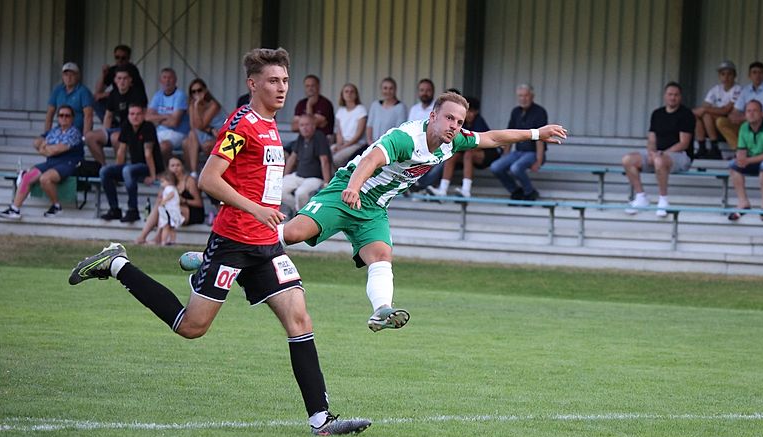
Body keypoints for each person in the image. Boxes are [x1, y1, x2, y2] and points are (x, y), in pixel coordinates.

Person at [69, 47, 370, 437]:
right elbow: (209, 180)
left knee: (299, 319)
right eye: (273, 81)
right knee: (191, 327)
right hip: (232, 241)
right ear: (252, 84)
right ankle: (116, 264)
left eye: (285, 80)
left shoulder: (272, 125)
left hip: (266, 246)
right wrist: (256, 209)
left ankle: (321, 421)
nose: (282, 88)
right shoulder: (241, 124)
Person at [181, 93, 567, 332]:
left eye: (459, 121)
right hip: (345, 193)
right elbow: (372, 159)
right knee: (294, 233)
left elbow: (493, 137)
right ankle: (214, 256)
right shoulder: (406, 137)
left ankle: (381, 310)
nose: (455, 126)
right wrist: (352, 187)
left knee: (382, 255)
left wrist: (537, 133)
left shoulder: (452, 142)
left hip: (374, 209)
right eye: (449, 118)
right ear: (433, 116)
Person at [622, 82, 696, 217]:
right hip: (658, 154)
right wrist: (651, 153)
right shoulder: (657, 114)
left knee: (659, 161)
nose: (673, 97)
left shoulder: (686, 114)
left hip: (680, 156)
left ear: (680, 97)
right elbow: (651, 140)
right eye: (670, 94)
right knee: (628, 160)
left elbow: (684, 143)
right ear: (665, 96)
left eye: (676, 95)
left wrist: (661, 154)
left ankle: (663, 201)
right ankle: (641, 197)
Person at [0, 105, 83, 220]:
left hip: (68, 163)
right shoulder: (54, 130)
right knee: (27, 176)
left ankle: (56, 206)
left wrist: (44, 148)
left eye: (67, 116)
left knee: (45, 179)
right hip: (51, 162)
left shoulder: (75, 133)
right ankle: (15, 209)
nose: (64, 118)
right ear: (58, 118)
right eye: (61, 115)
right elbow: (37, 142)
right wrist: (45, 148)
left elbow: (56, 150)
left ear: (72, 118)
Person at [98, 103, 165, 223]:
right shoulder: (127, 126)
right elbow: (121, 151)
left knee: (127, 170)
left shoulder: (148, 127)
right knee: (104, 171)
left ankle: (133, 210)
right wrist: (116, 172)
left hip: (148, 166)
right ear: (128, 116)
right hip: (133, 167)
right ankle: (114, 209)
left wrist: (152, 176)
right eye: (132, 114)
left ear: (143, 115)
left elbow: (148, 153)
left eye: (138, 114)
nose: (135, 117)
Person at [426, 97, 499, 198]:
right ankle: (442, 190)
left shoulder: (479, 121)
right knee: (452, 155)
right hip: (465, 153)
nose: (469, 114)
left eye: (471, 112)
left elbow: (478, 145)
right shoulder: (460, 122)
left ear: (476, 112)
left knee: (469, 154)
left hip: (486, 154)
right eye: (467, 112)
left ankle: (466, 191)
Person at [490, 84, 549, 201]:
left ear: (532, 96)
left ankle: (529, 192)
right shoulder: (515, 112)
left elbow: (541, 138)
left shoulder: (540, 112)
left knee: (515, 168)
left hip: (533, 153)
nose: (523, 99)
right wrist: (505, 155)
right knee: (495, 167)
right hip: (518, 152)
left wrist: (538, 161)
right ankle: (515, 191)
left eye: (526, 96)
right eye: (520, 96)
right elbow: (509, 135)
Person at [86, 66, 148, 165]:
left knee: (116, 137)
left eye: (125, 78)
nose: (122, 81)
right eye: (119, 78)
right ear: (115, 80)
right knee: (89, 136)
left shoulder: (137, 94)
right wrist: (105, 132)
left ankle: (119, 168)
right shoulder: (113, 94)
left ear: (130, 80)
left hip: (133, 130)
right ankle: (103, 167)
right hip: (117, 129)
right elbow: (108, 116)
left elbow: (141, 117)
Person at [136, 156, 204, 244]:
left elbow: (199, 203)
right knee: (160, 206)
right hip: (175, 210)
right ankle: (145, 236)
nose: (175, 168)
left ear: (182, 167)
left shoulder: (189, 181)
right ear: (168, 168)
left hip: (192, 212)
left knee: (167, 209)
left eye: (178, 165)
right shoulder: (168, 182)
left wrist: (184, 200)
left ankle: (156, 237)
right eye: (172, 166)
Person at [281, 114, 333, 213]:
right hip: (298, 176)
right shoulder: (301, 137)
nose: (304, 128)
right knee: (279, 189)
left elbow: (325, 161)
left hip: (314, 178)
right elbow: (292, 158)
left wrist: (327, 183)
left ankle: (302, 216)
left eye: (307, 125)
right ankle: (297, 210)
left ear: (313, 125)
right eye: (302, 125)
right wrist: (284, 176)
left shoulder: (319, 136)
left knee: (300, 193)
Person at [693, 60, 742, 159]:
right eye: (723, 74)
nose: (726, 77)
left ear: (734, 75)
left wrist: (707, 109)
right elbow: (704, 107)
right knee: (698, 115)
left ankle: (714, 147)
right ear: (719, 76)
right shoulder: (716, 89)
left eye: (729, 74)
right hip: (715, 125)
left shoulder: (738, 89)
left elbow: (726, 111)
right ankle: (702, 147)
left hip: (731, 125)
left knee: (706, 114)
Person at [181, 78, 226, 173]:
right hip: (206, 133)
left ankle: (210, 173)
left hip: (218, 135)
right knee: (186, 141)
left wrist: (196, 106)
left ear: (205, 90)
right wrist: (194, 106)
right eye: (193, 92)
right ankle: (193, 173)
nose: (197, 93)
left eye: (199, 90)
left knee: (207, 146)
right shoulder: (192, 105)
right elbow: (193, 127)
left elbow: (201, 125)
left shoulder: (213, 105)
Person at [92, 44, 147, 121]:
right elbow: (98, 91)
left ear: (128, 58)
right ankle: (112, 124)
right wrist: (103, 75)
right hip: (119, 100)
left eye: (123, 58)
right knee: (95, 101)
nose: (120, 60)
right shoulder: (113, 70)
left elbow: (124, 90)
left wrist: (105, 94)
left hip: (134, 101)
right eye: (117, 57)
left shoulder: (132, 70)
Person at [146, 67, 190, 159]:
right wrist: (166, 116)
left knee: (163, 147)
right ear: (160, 80)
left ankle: (169, 167)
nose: (167, 81)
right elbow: (147, 117)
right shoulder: (158, 95)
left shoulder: (180, 95)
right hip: (159, 131)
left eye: (170, 78)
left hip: (178, 132)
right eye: (164, 77)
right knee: (146, 145)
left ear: (175, 80)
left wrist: (157, 119)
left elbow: (174, 122)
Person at [45, 63, 94, 137]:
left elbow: (88, 116)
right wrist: (46, 135)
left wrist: (85, 137)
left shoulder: (84, 92)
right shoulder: (57, 90)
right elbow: (49, 114)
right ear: (62, 76)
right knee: (38, 141)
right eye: (66, 75)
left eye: (72, 75)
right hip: (61, 130)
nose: (69, 78)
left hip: (77, 132)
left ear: (78, 76)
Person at [728, 62, 763, 127]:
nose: (757, 75)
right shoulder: (746, 90)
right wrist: (734, 117)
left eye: (760, 72)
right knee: (722, 122)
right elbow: (735, 111)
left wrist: (743, 118)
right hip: (750, 126)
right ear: (749, 75)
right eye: (754, 72)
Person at [331, 83, 368, 167]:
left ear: (356, 95)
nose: (349, 94)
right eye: (346, 91)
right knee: (326, 154)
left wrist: (344, 147)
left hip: (356, 144)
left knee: (336, 159)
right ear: (342, 95)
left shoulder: (361, 110)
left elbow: (358, 134)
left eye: (352, 91)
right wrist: (339, 145)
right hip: (342, 143)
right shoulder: (341, 110)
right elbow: (339, 132)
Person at [366, 77, 408, 144]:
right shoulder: (375, 105)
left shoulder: (401, 107)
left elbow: (398, 130)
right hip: (372, 144)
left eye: (391, 88)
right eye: (385, 88)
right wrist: (370, 142)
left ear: (395, 90)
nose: (388, 91)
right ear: (381, 90)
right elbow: (369, 125)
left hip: (390, 145)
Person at [291, 74, 334, 139]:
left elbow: (310, 126)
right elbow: (294, 127)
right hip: (303, 140)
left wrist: (309, 105)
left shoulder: (325, 103)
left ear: (318, 87)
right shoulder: (301, 103)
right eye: (307, 86)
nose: (310, 88)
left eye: (312, 86)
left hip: (322, 139)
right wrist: (312, 122)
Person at [154, 171, 184, 245]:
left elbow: (171, 194)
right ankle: (172, 241)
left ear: (169, 181)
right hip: (173, 210)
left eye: (163, 181)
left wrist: (164, 200)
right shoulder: (173, 188)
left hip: (169, 211)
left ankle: (163, 241)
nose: (161, 184)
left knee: (166, 226)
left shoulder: (169, 188)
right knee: (172, 227)